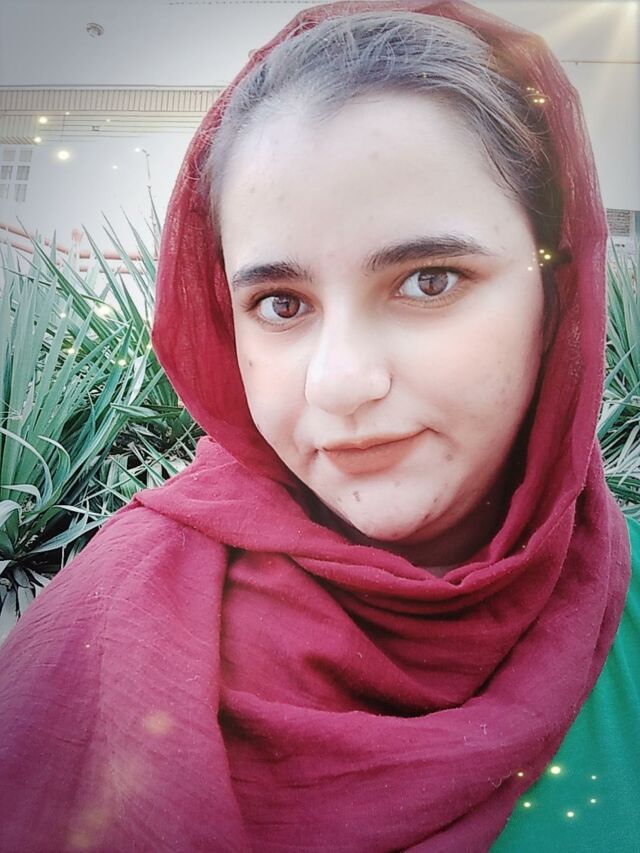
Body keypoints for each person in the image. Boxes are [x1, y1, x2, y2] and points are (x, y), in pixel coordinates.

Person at [0, 1, 638, 850]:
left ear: (555, 299)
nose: (340, 383)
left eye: (430, 280)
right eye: (281, 303)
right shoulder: (103, 630)